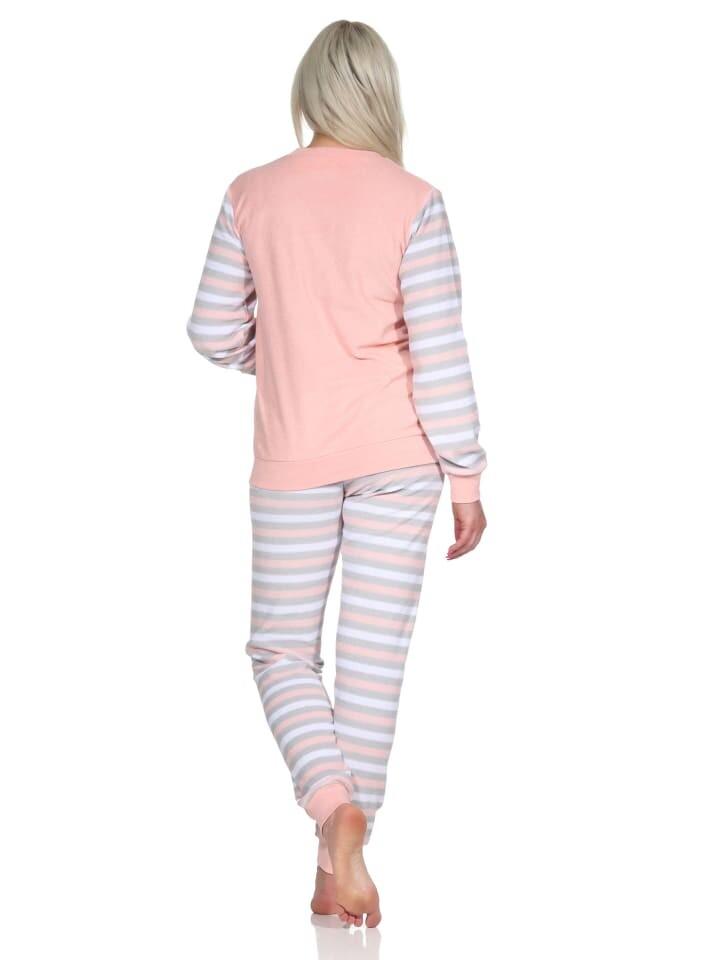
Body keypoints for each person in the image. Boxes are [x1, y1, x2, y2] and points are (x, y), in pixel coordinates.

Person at [187, 19, 487, 928]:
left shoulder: (251, 194)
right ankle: (346, 850)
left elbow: (210, 330)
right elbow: (440, 353)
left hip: (293, 458)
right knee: (370, 665)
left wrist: (281, 355)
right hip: (402, 459)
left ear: (308, 93)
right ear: (382, 94)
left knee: (281, 651)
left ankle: (332, 815)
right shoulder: (416, 200)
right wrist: (467, 478)